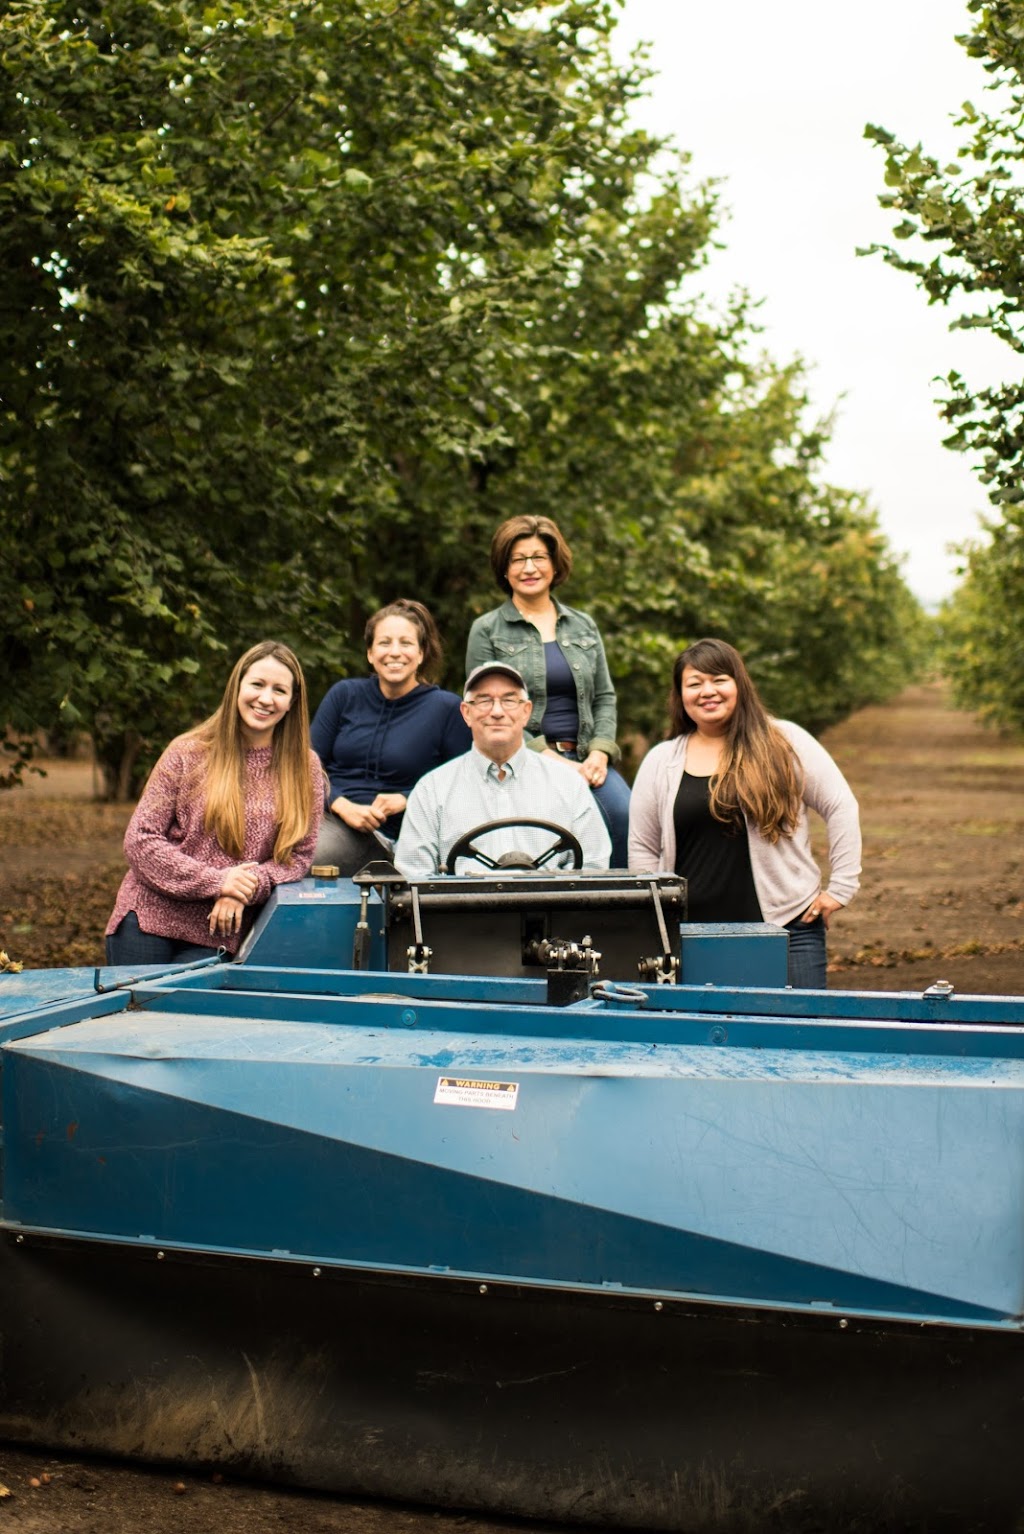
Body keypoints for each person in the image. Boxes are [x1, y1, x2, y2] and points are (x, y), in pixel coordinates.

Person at [628, 638, 861, 989]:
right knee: (705, 1040)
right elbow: (643, 846)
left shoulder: (785, 741)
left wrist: (841, 887)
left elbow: (840, 804)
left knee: (796, 1032)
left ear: (739, 683)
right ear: (681, 696)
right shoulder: (662, 760)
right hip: (692, 938)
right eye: (694, 683)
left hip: (787, 928)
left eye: (719, 679)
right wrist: (655, 915)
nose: (708, 691)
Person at [106, 641, 323, 964]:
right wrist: (220, 882)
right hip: (148, 919)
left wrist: (245, 888)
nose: (265, 698)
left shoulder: (304, 768)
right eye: (257, 684)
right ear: (237, 687)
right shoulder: (188, 752)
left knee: (189, 1016)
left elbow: (298, 857)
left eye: (279, 690)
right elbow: (140, 839)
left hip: (221, 931)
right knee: (137, 1014)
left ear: (292, 702)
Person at [465, 515, 631, 866]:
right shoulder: (487, 629)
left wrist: (600, 754)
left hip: (587, 760)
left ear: (555, 565)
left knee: (624, 818)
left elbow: (604, 697)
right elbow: (483, 707)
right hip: (524, 759)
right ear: (504, 569)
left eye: (538, 557)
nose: (529, 567)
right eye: (518, 559)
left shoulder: (583, 625)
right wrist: (550, 759)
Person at [395, 662, 611, 878]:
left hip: (553, 910)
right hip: (461, 911)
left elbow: (593, 870)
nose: (497, 711)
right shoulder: (431, 790)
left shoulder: (569, 784)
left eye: (508, 700)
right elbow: (414, 878)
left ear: (526, 711)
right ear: (466, 712)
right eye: (484, 700)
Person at [310, 600, 472, 875]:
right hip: (330, 819)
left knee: (311, 859)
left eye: (406, 643)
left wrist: (408, 798)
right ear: (370, 653)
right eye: (384, 643)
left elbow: (464, 781)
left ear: (421, 653)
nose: (394, 652)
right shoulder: (344, 695)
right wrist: (340, 804)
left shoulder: (446, 708)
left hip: (400, 837)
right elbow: (305, 766)